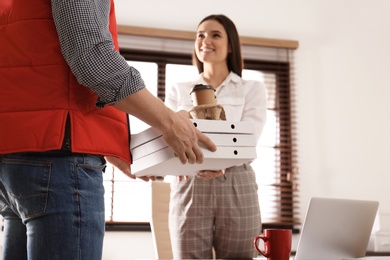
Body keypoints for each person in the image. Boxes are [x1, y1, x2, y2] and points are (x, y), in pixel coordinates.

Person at [0, 0, 216, 259]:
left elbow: (33, 65)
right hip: (58, 161)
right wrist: (170, 123)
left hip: (14, 158)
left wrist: (108, 144)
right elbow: (92, 58)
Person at [166, 14, 267, 259]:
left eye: (215, 35)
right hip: (190, 179)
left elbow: (248, 138)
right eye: (200, 35)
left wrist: (220, 163)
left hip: (236, 181)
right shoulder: (179, 90)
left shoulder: (251, 88)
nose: (205, 40)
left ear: (230, 44)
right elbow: (168, 135)